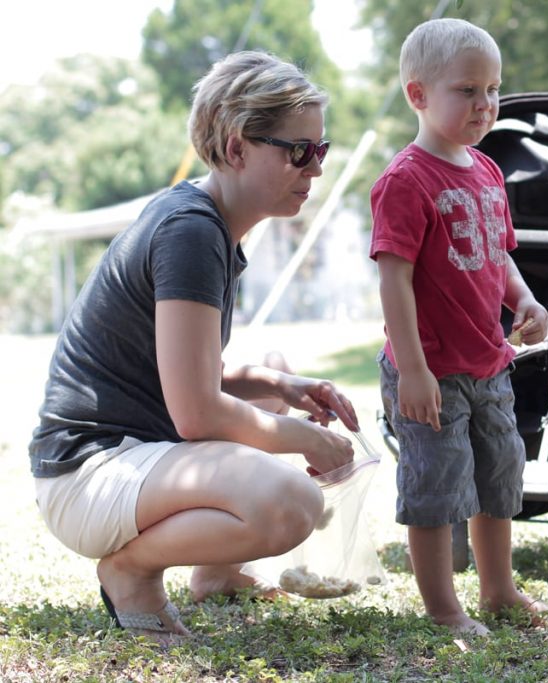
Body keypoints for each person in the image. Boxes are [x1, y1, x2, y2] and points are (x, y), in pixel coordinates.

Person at [28, 51, 359, 645]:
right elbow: (197, 412)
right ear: (237, 148)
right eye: (299, 151)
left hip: (128, 458)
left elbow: (186, 373)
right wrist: (313, 440)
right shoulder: (191, 231)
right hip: (88, 472)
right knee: (291, 503)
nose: (315, 169)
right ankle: (130, 571)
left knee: (275, 369)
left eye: (321, 150)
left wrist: (281, 389)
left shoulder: (207, 222)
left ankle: (218, 573)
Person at [370, 18, 548, 636]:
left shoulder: (486, 171)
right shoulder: (405, 181)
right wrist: (413, 369)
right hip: (430, 368)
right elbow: (394, 279)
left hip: (488, 362)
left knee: (497, 479)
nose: (485, 104)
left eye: (493, 89)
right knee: (435, 489)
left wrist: (527, 301)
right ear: (418, 95)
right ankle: (443, 608)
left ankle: (498, 590)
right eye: (467, 90)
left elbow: (497, 252)